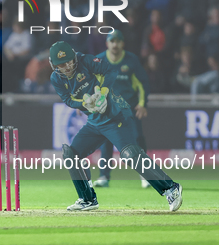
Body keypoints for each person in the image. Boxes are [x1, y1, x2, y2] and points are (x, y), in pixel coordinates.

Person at [49, 41, 182, 212]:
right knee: (71, 153)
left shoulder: (86, 61)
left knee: (130, 154)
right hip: (95, 121)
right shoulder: (56, 79)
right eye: (61, 64)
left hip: (115, 115)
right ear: (54, 65)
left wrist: (103, 93)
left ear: (74, 57)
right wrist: (85, 103)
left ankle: (170, 188)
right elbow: (68, 99)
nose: (67, 66)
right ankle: (87, 199)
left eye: (68, 61)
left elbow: (111, 70)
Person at [93, 31, 151, 189]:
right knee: (106, 141)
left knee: (137, 140)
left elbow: (143, 83)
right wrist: (83, 103)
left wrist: (143, 103)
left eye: (118, 41)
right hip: (107, 109)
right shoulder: (99, 60)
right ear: (107, 43)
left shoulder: (131, 60)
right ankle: (104, 176)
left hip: (129, 108)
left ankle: (145, 175)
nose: (115, 45)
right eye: (112, 41)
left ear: (122, 44)